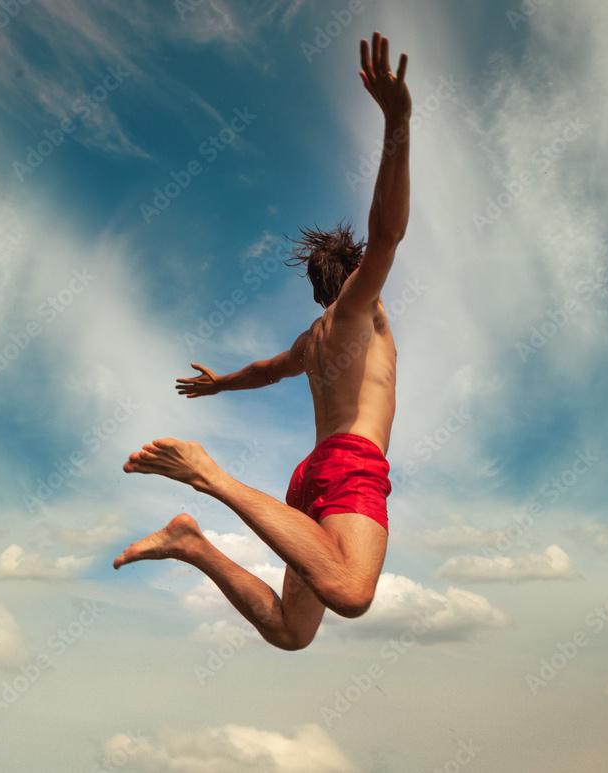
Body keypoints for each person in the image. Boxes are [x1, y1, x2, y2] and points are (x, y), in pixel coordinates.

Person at [113, 32, 410, 651]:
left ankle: (191, 543)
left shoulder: (313, 339)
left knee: (289, 631)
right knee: (352, 592)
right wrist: (398, 123)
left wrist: (220, 382)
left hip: (311, 476)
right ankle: (210, 477)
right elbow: (385, 237)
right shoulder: (362, 307)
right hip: (350, 463)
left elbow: (264, 370)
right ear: (352, 275)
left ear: (311, 288)